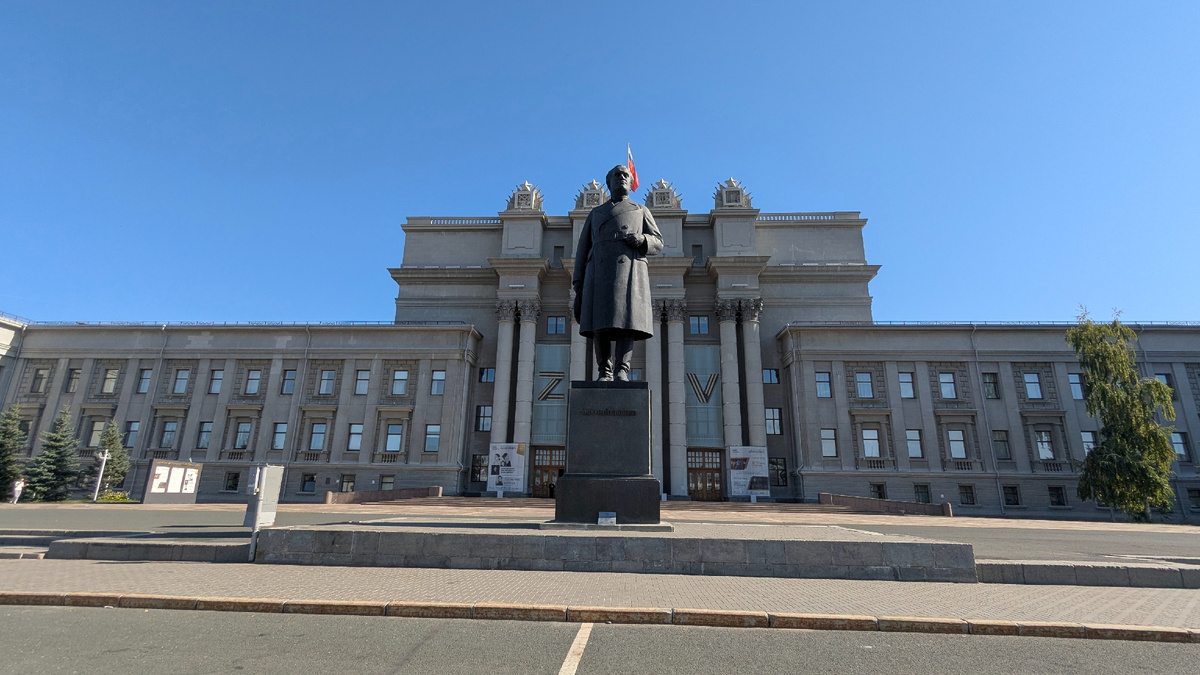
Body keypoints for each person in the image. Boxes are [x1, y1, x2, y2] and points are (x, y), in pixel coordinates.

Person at [572, 164, 664, 380]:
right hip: (598, 272)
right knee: (600, 323)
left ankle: (622, 369)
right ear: (609, 182)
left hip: (629, 270)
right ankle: (604, 371)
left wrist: (642, 239)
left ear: (631, 183)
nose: (621, 177)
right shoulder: (596, 213)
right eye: (617, 175)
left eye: (625, 175)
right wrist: (578, 282)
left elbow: (658, 242)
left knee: (627, 321)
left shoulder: (640, 210)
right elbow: (582, 249)